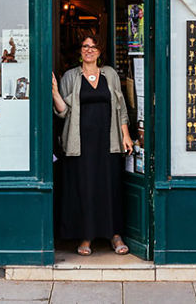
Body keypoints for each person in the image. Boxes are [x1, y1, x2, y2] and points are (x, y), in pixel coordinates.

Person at [52, 35, 134, 256]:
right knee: (85, 188)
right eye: (85, 46)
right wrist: (54, 93)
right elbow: (63, 112)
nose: (89, 50)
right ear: (80, 51)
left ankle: (115, 235)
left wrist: (126, 135)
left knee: (110, 188)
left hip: (108, 141)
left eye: (93, 47)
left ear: (100, 52)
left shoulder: (111, 75)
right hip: (80, 143)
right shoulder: (71, 76)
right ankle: (86, 237)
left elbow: (121, 108)